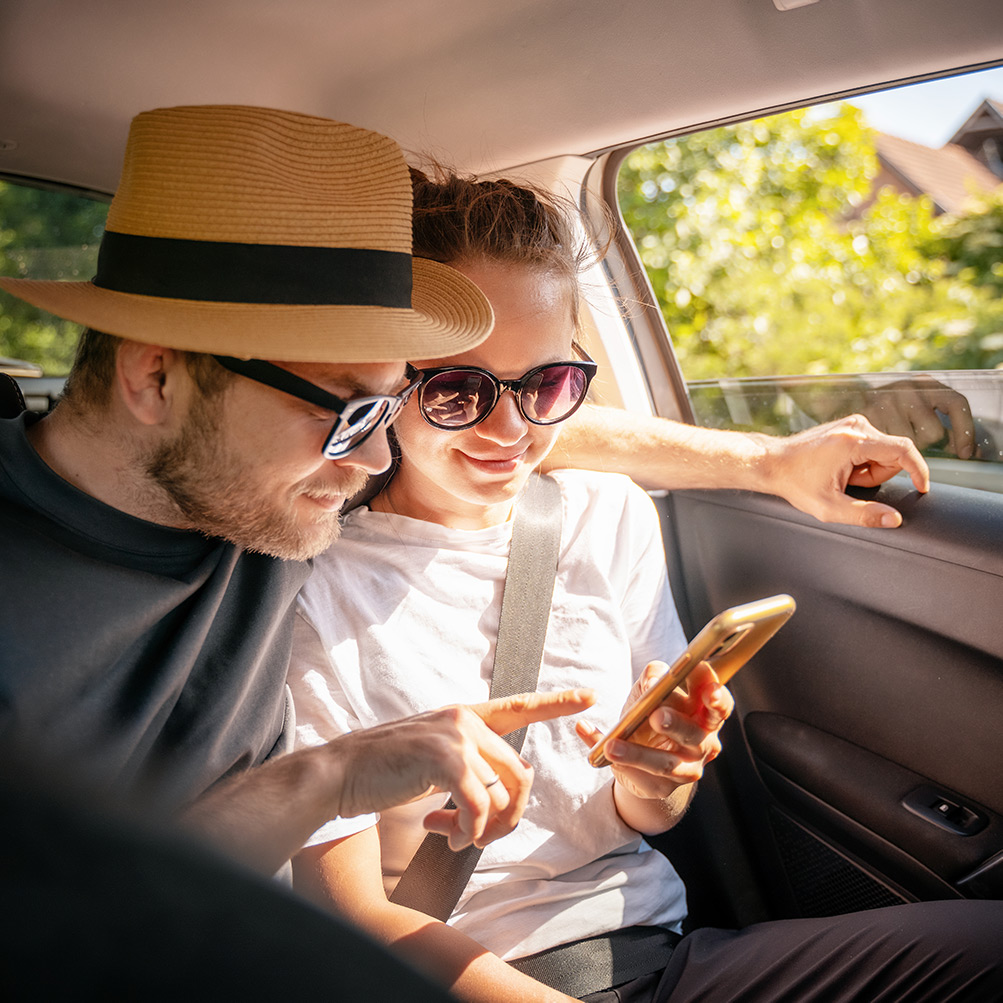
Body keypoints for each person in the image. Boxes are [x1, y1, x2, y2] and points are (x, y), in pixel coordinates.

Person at [287, 170, 1003, 1003]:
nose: (512, 431)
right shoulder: (315, 584)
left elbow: (643, 815)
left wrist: (657, 778)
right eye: (456, 390)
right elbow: (344, 919)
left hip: (660, 960)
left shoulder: (605, 515)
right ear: (385, 381)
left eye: (546, 384)